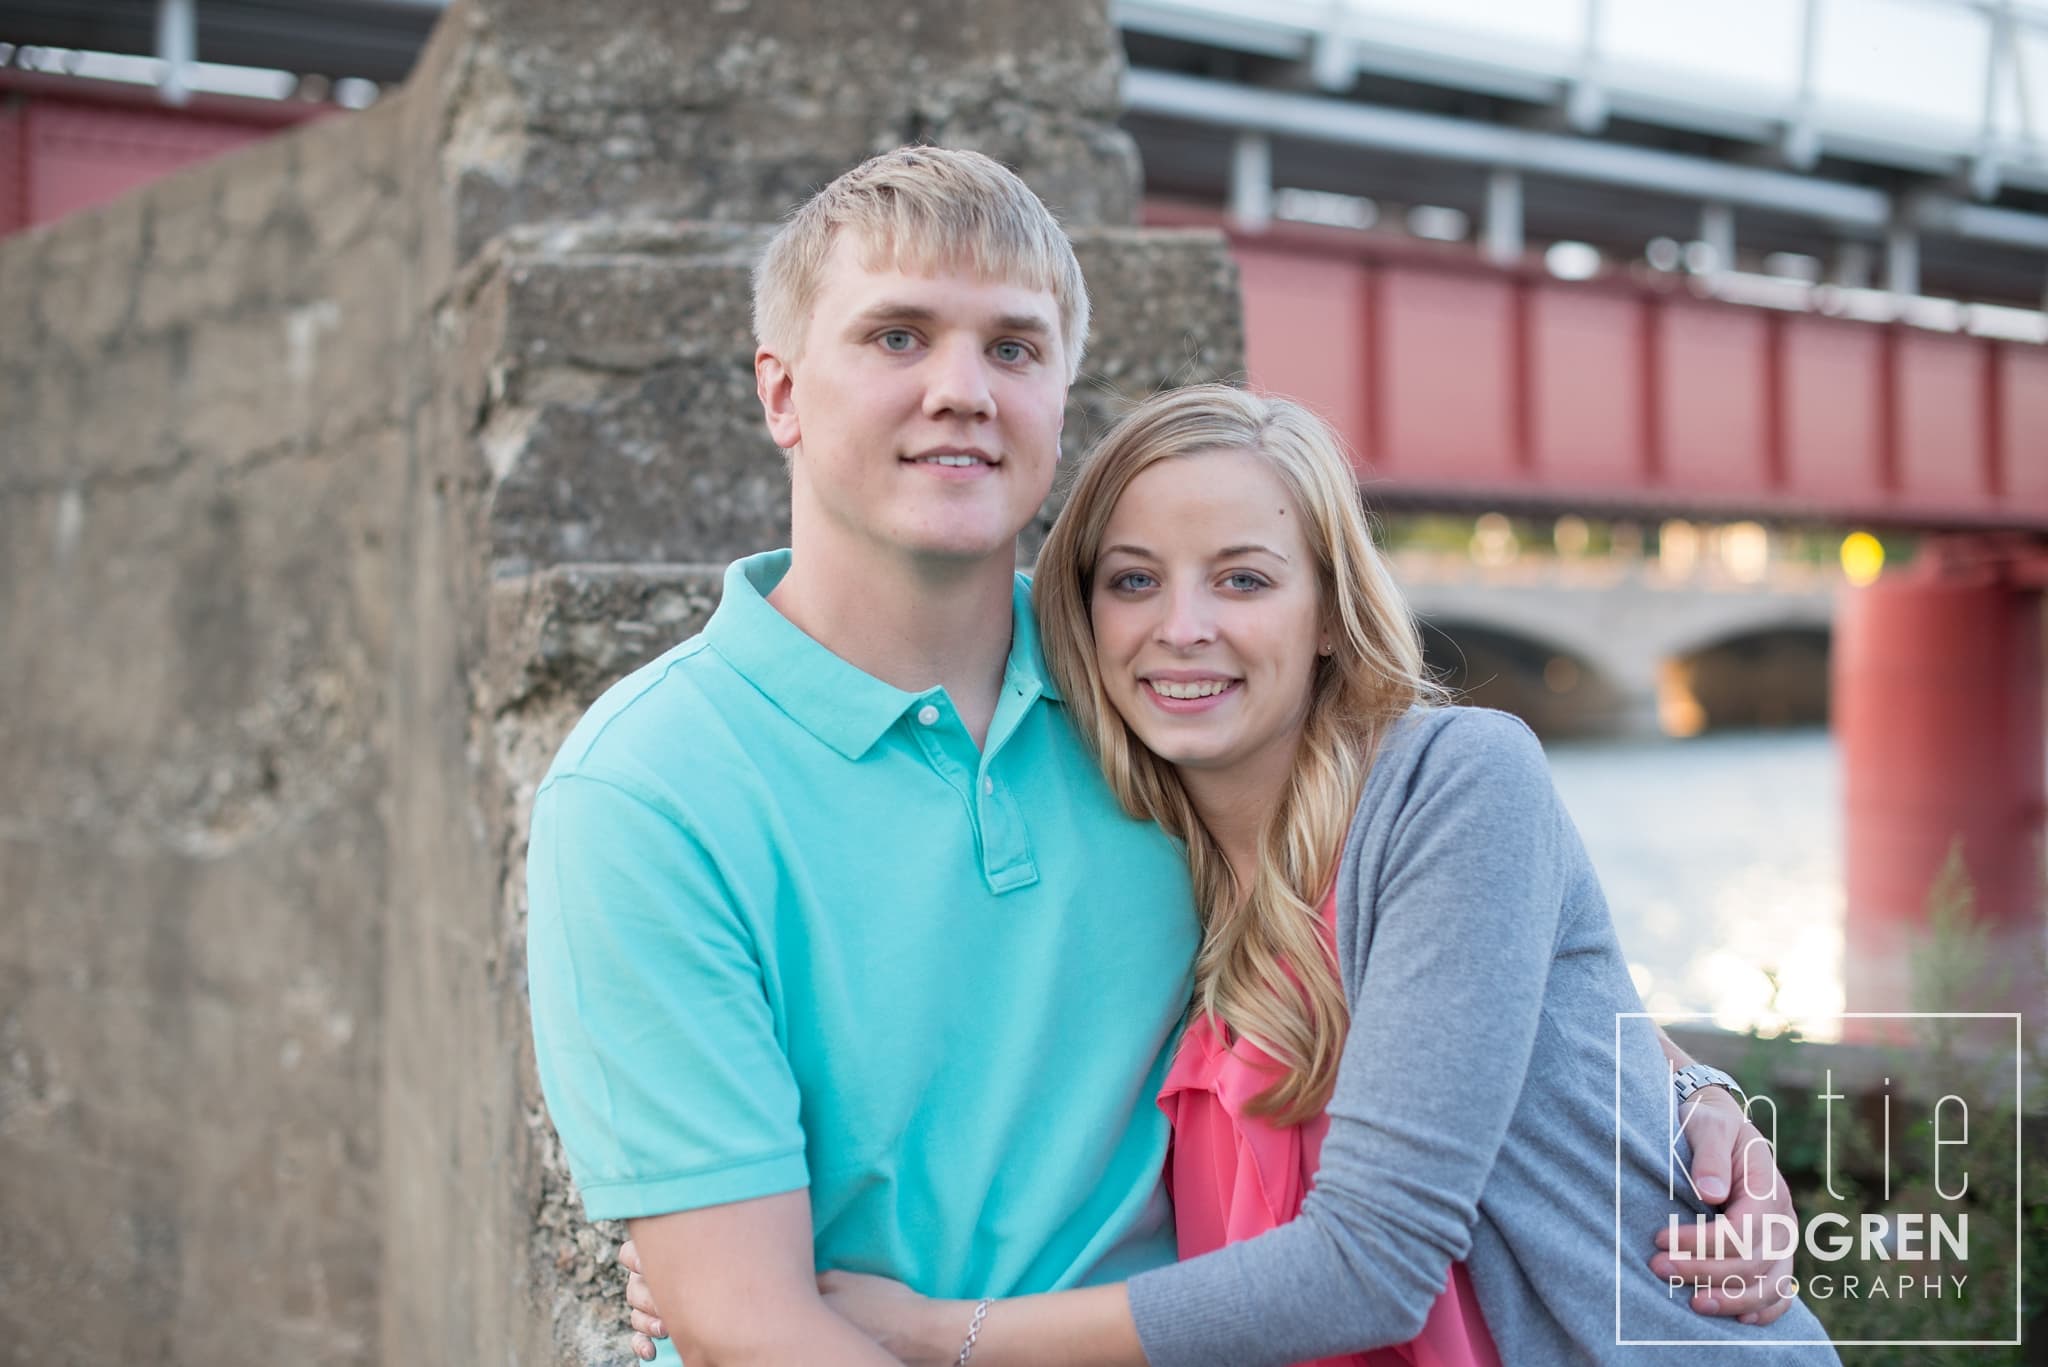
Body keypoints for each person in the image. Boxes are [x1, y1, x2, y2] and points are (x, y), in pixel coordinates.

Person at [525, 146, 1796, 1367]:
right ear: (781, 390)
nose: (961, 386)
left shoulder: (1142, 693)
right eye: (896, 335)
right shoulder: (646, 792)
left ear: (1056, 396)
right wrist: (715, 1260)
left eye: (1011, 345)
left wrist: (1695, 1102)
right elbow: (751, 1327)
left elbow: (1448, 927)